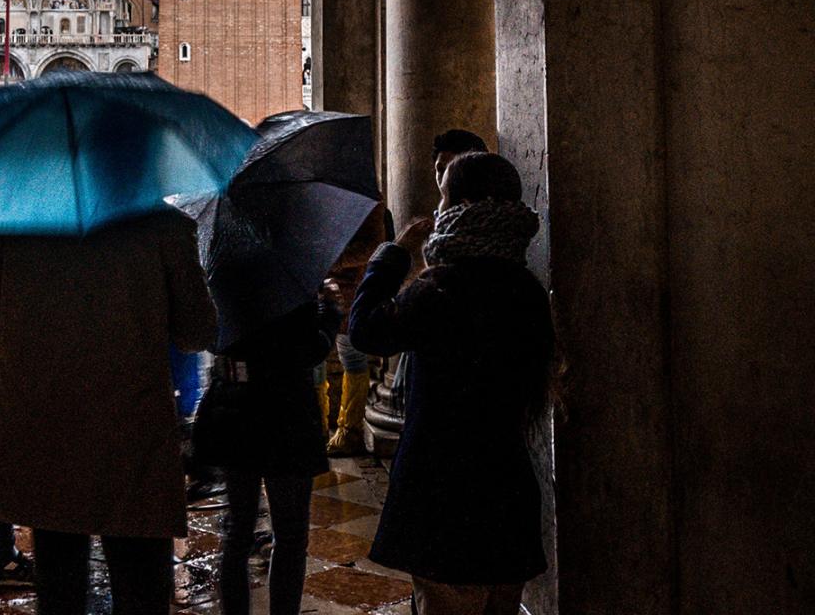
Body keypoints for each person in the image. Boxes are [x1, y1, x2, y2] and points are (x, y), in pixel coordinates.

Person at [0, 209, 217, 614]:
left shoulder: (23, 220)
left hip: (49, 429)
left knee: (59, 588)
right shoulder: (165, 225)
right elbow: (197, 331)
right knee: (142, 588)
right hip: (134, 432)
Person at [349, 152, 555, 614]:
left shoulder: (441, 288)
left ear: (462, 205)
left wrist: (393, 254)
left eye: (444, 198)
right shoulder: (527, 292)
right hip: (507, 491)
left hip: (445, 496)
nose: (439, 210)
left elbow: (365, 330)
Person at [194, 293, 343, 615]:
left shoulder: (225, 273)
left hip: (234, 405)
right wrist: (329, 313)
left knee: (238, 529)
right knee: (290, 534)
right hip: (284, 412)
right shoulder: (288, 282)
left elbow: (207, 338)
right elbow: (309, 349)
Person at [324, 205, 390, 456]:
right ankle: (318, 425)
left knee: (352, 358)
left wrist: (335, 259)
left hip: (351, 289)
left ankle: (350, 432)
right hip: (321, 286)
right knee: (315, 360)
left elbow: (374, 244)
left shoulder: (368, 200)